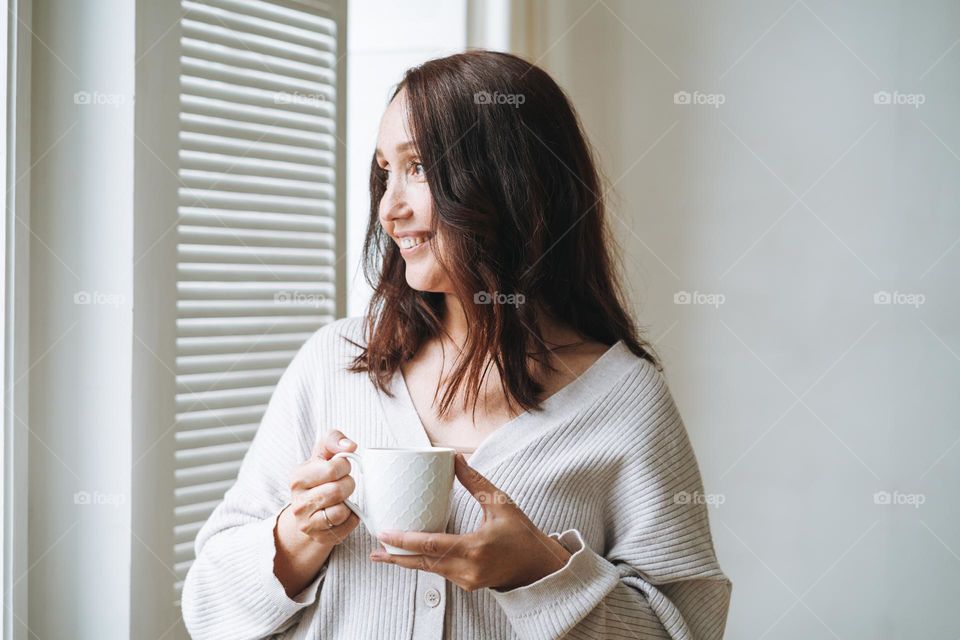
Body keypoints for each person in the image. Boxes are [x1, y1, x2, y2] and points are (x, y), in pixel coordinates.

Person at [182, 49, 732, 640]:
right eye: (384, 171)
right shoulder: (335, 362)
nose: (390, 210)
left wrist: (540, 572)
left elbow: (686, 628)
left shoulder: (626, 400)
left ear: (513, 180)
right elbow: (208, 609)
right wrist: (297, 537)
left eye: (418, 167)